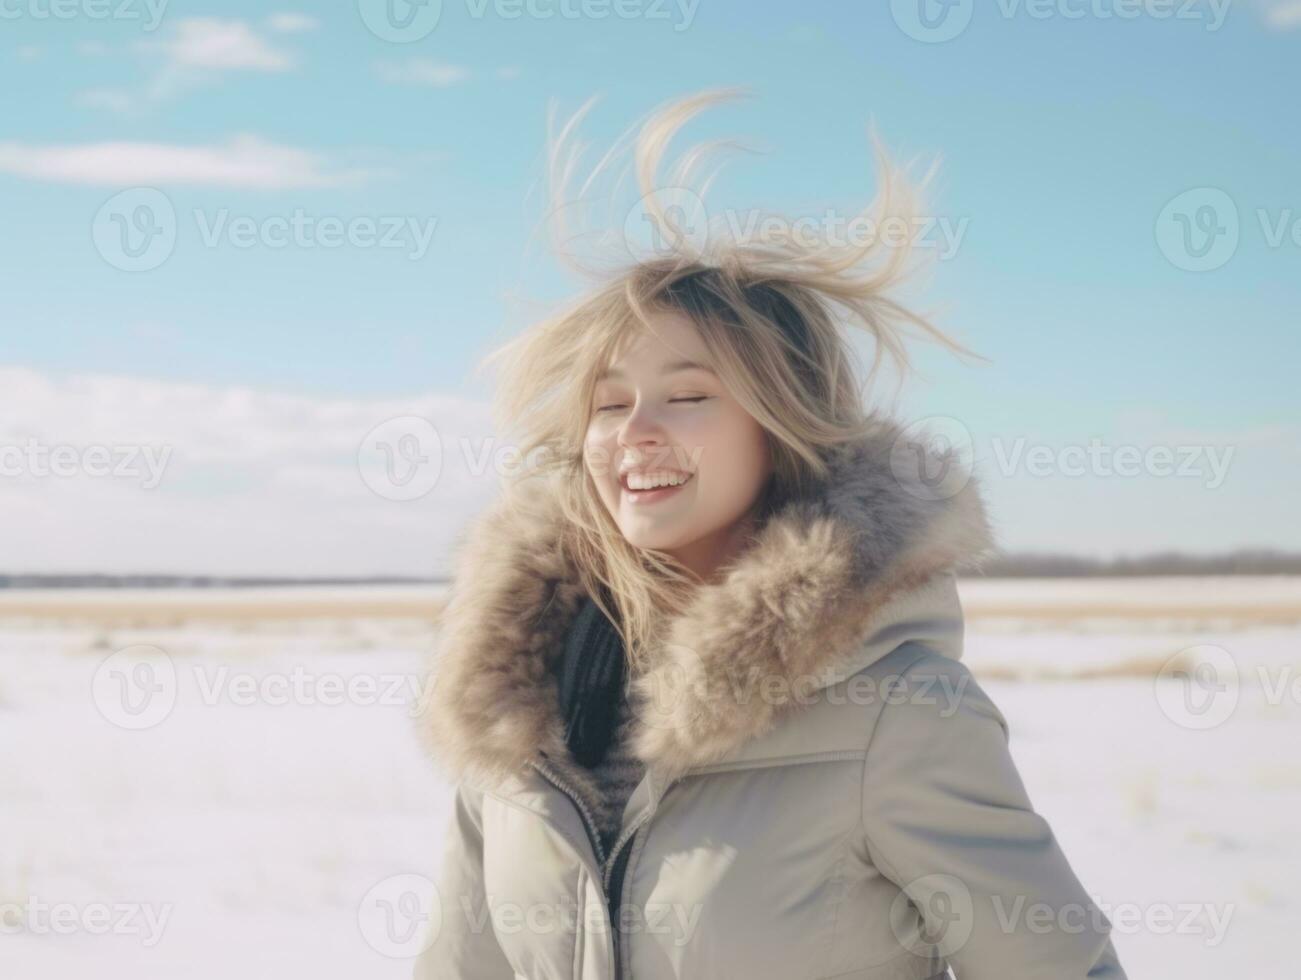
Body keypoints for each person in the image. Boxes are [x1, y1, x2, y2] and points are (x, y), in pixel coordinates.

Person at [414, 88, 1127, 980]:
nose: (636, 431)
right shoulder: (513, 709)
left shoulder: (897, 713)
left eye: (687, 396)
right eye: (606, 404)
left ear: (781, 424)